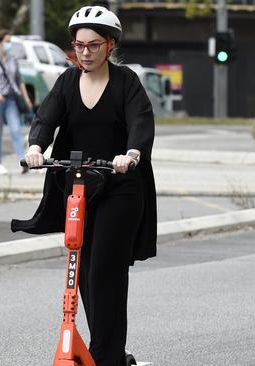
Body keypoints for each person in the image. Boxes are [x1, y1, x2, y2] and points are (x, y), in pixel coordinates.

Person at [11, 6, 157, 366]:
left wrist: (132, 153)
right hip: (79, 186)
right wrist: (34, 148)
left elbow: (141, 121)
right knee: (87, 273)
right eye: (79, 45)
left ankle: (106, 356)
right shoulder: (66, 82)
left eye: (93, 45)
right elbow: (47, 118)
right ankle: (109, 352)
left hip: (120, 186)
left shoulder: (126, 82)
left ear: (110, 45)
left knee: (105, 269)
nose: (86, 52)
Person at [0, 29, 34, 175]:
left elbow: (19, 80)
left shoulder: (12, 59)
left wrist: (26, 98)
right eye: (7, 41)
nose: (9, 44)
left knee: (16, 130)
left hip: (11, 99)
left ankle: (22, 161)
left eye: (10, 42)